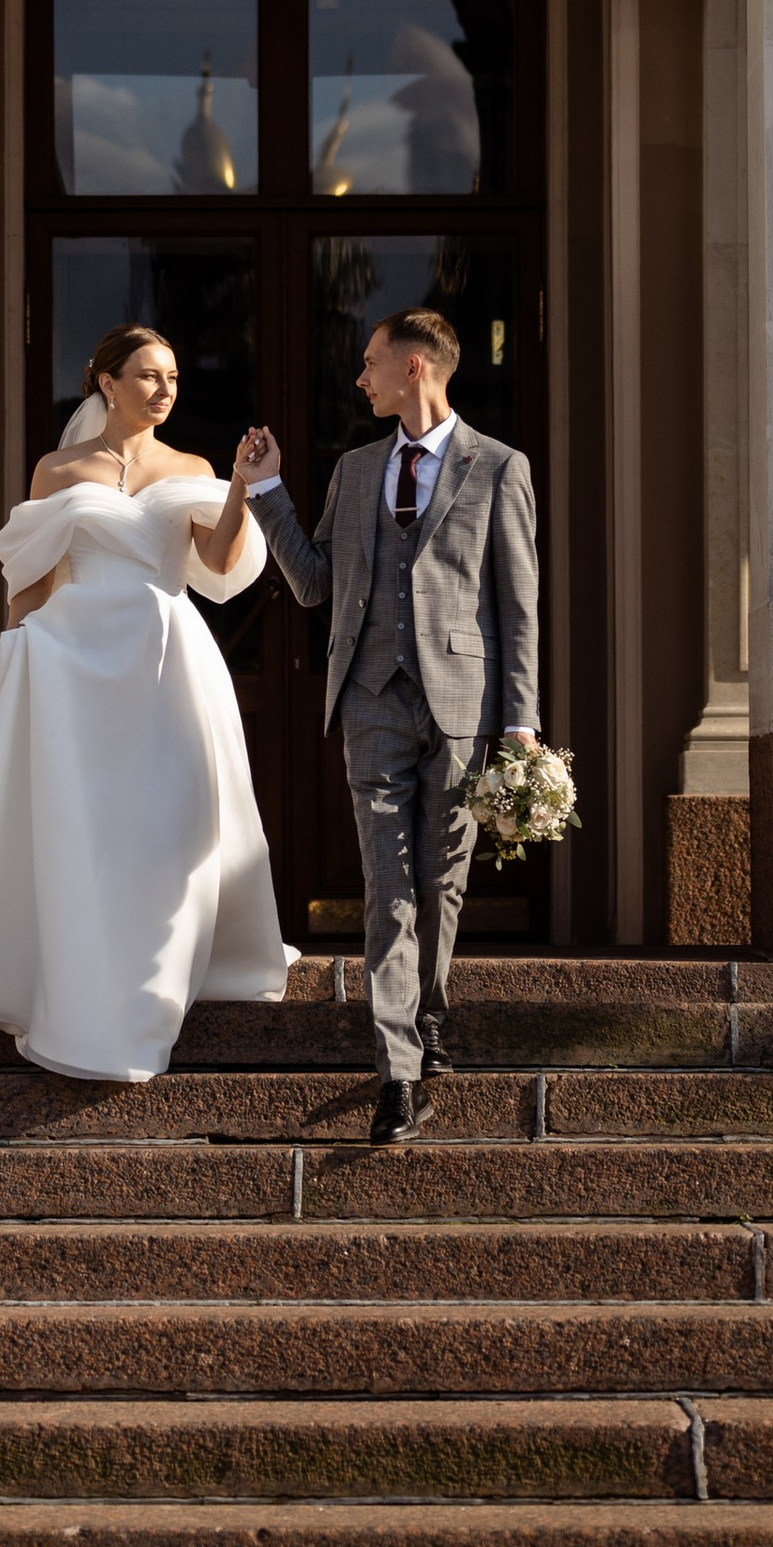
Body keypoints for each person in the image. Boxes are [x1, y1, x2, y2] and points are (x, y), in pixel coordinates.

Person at [0, 322, 296, 1082]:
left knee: (169, 824)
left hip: (167, 661)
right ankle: (82, 995)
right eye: (150, 375)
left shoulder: (189, 465)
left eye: (175, 377)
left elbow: (217, 565)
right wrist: (16, 658)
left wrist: (243, 488)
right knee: (86, 831)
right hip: (75, 669)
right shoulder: (57, 469)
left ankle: (153, 992)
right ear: (107, 382)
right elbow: (30, 575)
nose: (165, 389)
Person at [233, 307, 539, 1141]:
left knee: (442, 880)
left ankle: (428, 1013)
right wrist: (268, 491)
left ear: (415, 369)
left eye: (370, 363)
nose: (360, 377)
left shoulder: (500, 468)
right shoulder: (356, 469)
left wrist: (520, 722)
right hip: (370, 696)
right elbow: (311, 583)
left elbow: (518, 609)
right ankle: (398, 1072)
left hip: (462, 703)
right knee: (387, 887)